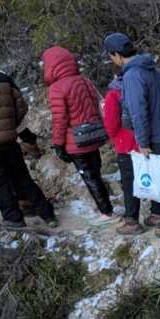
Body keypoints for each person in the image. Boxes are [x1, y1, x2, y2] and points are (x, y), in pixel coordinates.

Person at [103, 32, 160, 236]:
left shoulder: (132, 75)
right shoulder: (149, 67)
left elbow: (138, 112)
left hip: (155, 135)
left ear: (117, 55)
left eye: (111, 56)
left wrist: (142, 142)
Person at [0, 38, 56, 230]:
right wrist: (10, 125)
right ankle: (48, 214)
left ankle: (14, 219)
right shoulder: (2, 77)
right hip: (9, 139)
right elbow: (21, 105)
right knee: (22, 177)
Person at [42, 45, 113, 221]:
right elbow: (96, 108)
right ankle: (106, 208)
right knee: (96, 174)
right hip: (94, 136)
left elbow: (60, 120)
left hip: (76, 142)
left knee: (89, 177)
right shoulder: (85, 81)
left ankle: (106, 213)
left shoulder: (57, 88)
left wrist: (58, 145)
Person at [100, 73, 142, 234]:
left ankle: (132, 220)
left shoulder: (114, 94)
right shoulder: (141, 86)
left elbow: (111, 123)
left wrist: (114, 137)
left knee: (129, 183)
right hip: (146, 140)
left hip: (126, 144)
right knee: (152, 176)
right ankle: (158, 214)